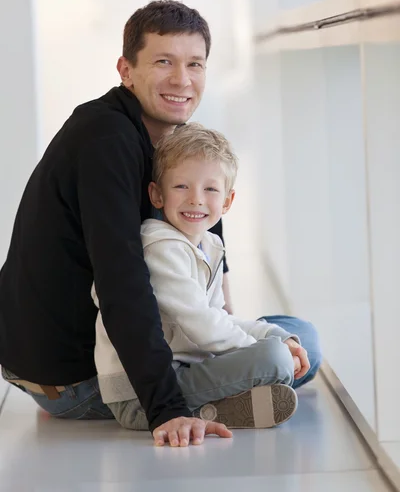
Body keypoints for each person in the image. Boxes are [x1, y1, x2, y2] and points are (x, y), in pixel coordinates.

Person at [0, 0, 322, 447]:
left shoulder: (173, 142)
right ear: (126, 70)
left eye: (195, 64)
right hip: (72, 377)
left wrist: (229, 334)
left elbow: (211, 245)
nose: (182, 80)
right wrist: (166, 409)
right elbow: (121, 282)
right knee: (280, 355)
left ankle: (234, 379)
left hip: (125, 346)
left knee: (301, 337)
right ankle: (193, 399)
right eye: (163, 62)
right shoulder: (106, 139)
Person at [93, 123, 308, 433]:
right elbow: (204, 326)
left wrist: (275, 335)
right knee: (275, 357)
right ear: (156, 194)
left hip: (190, 367)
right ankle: (216, 406)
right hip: (142, 396)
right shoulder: (160, 246)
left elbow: (218, 317)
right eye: (181, 187)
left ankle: (253, 382)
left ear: (227, 201)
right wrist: (263, 350)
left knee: (300, 345)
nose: (195, 199)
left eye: (210, 189)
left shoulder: (210, 244)